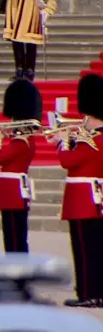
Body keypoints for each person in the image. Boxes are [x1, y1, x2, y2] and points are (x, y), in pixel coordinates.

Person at [56, 74, 103, 308]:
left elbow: (68, 161)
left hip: (82, 201)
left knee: (84, 251)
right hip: (95, 199)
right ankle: (97, 292)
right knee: (96, 249)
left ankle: (87, 294)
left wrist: (62, 141)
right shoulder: (95, 138)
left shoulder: (91, 140)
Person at [0, 78, 42, 253]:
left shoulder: (21, 142)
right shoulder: (24, 139)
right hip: (15, 191)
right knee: (16, 236)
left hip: (13, 193)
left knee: (13, 239)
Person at [2, 0, 57, 81]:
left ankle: (30, 69)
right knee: (16, 37)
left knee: (30, 39)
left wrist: (48, 9)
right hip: (15, 5)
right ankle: (19, 68)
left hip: (31, 6)